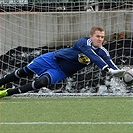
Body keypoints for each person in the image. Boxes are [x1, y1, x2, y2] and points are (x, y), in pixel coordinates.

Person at [0, 26, 125, 98]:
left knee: (41, 82)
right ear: (91, 36)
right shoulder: (83, 43)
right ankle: (1, 83)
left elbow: (110, 62)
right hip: (51, 59)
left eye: (102, 37)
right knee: (24, 72)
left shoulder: (102, 51)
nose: (100, 39)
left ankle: (6, 93)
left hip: (61, 71)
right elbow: (94, 57)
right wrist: (107, 70)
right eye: (97, 36)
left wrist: (120, 73)